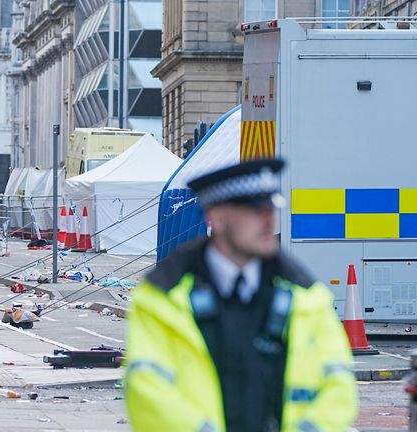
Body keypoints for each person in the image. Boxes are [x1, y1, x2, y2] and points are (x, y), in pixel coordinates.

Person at [125, 159, 357, 432]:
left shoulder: (307, 298)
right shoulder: (161, 299)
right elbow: (147, 391)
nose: (269, 219)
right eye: (255, 210)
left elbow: (338, 388)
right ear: (217, 218)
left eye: (271, 207)